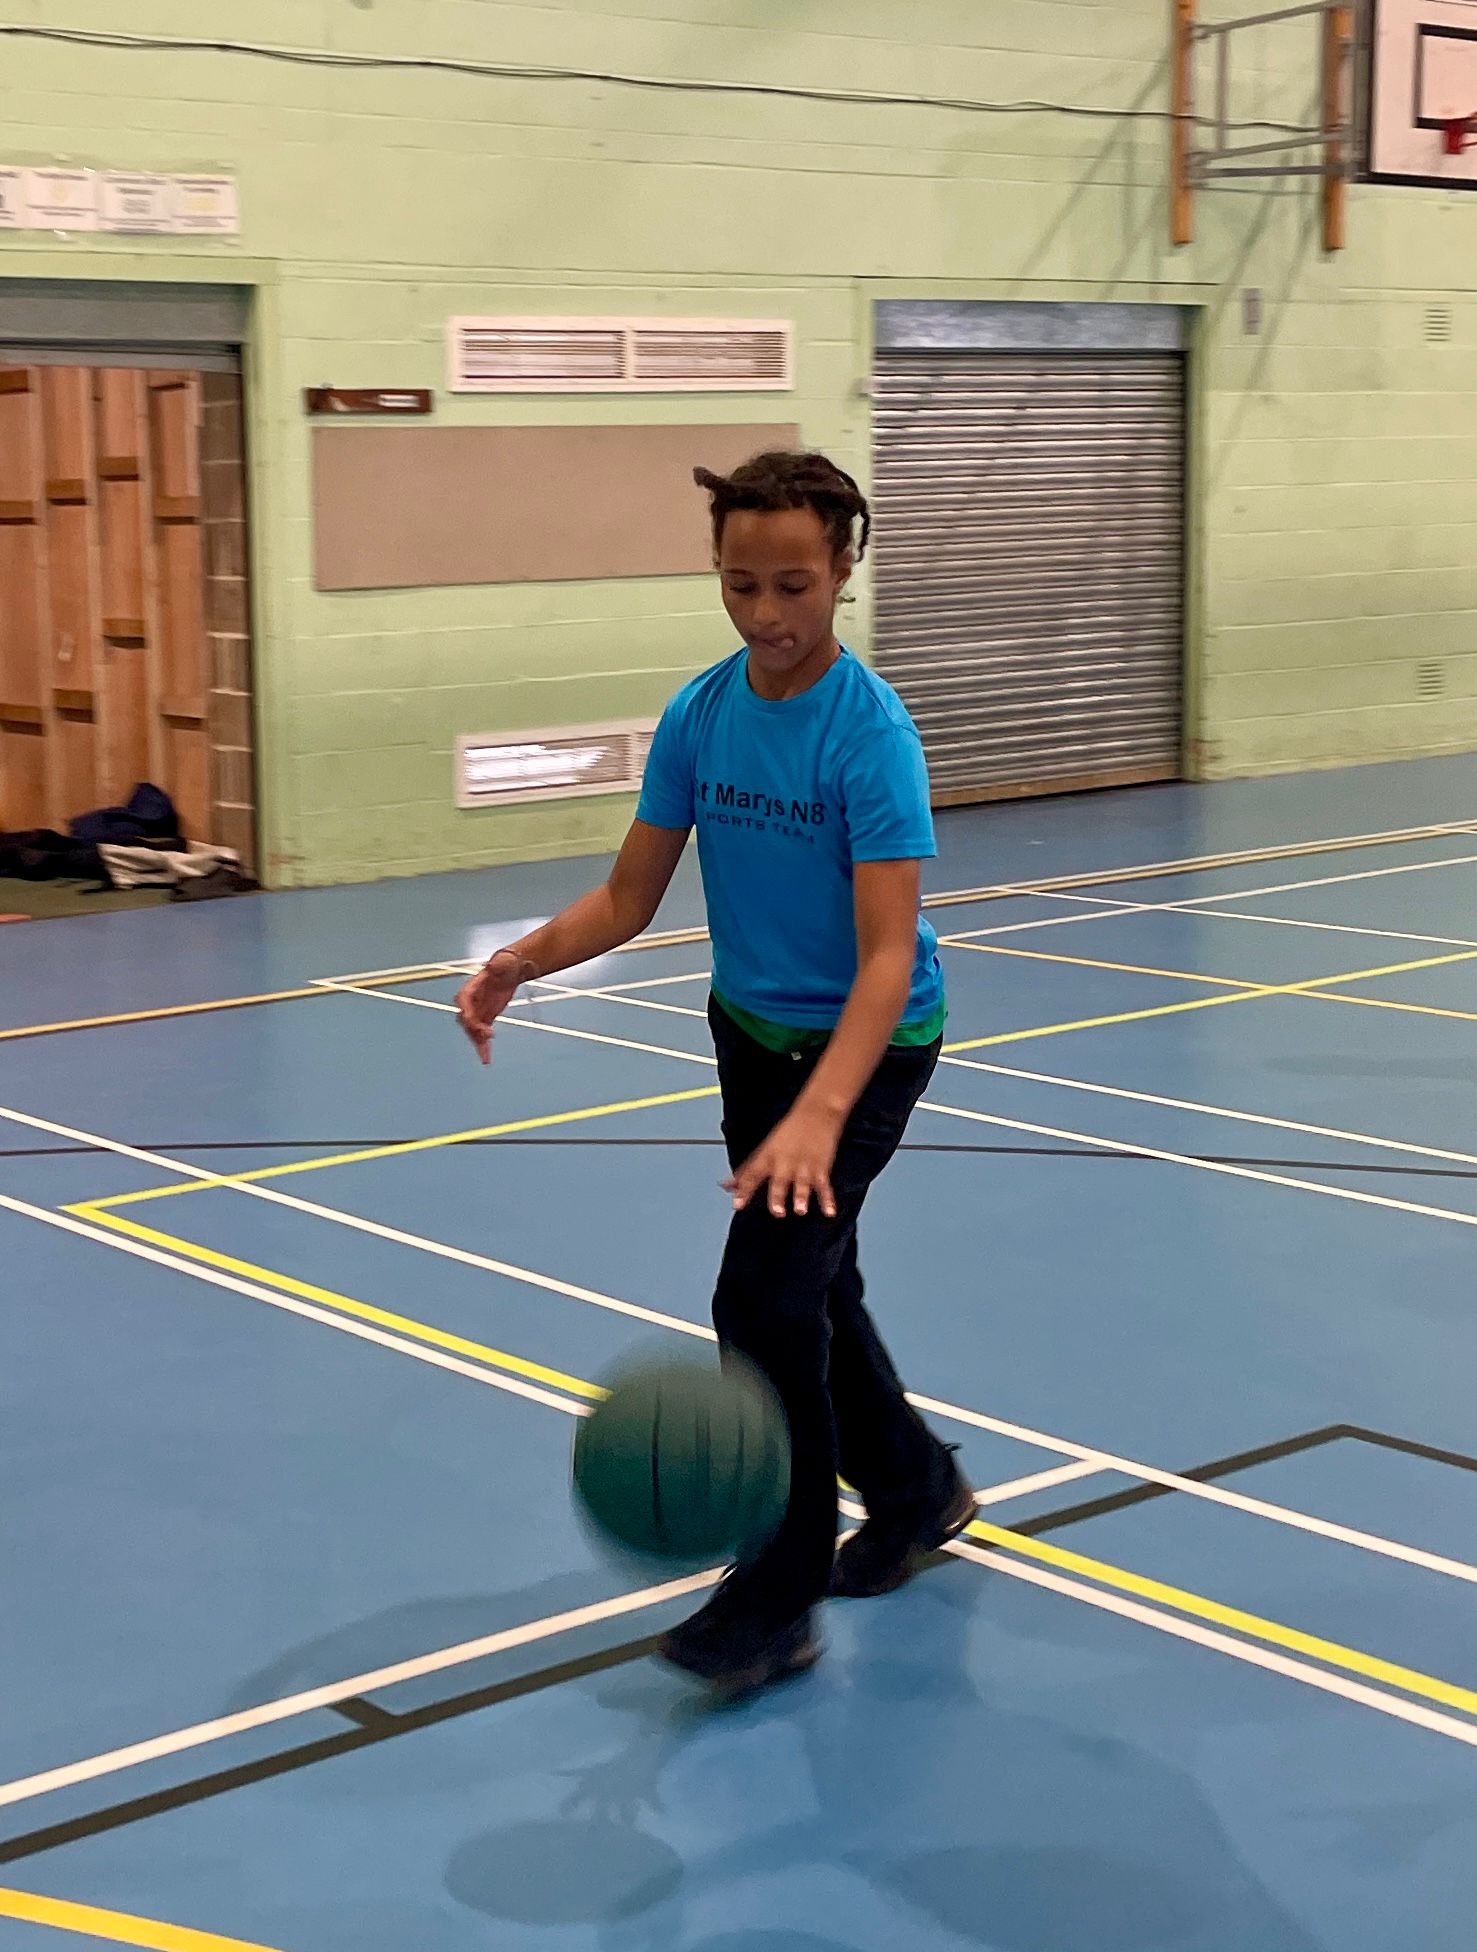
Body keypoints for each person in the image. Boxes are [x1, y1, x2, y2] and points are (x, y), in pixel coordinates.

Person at [455, 450, 973, 1695]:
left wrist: (820, 1116)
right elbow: (630, 895)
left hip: (866, 1046)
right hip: (749, 1032)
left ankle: (778, 1589)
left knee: (761, 1300)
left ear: (842, 569)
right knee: (815, 1286)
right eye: (741, 585)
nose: (767, 613)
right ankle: (915, 1487)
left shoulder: (869, 735)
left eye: (793, 585)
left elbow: (887, 955)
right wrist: (523, 957)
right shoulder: (701, 713)